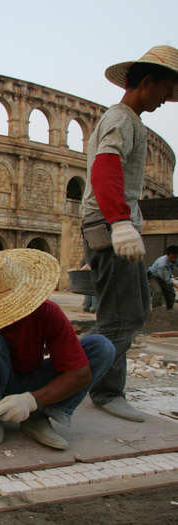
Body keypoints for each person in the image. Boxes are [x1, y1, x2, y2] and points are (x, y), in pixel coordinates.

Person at [0, 250, 115, 450]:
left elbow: (80, 373)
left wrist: (32, 401)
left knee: (101, 348)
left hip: (28, 381)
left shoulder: (46, 312)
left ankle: (39, 416)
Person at [80, 45, 177, 422]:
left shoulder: (131, 121)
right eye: (165, 90)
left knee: (132, 310)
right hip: (109, 225)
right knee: (122, 316)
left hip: (114, 224)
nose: (167, 100)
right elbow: (106, 167)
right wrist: (119, 222)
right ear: (147, 82)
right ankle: (76, 386)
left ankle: (103, 387)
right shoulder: (120, 119)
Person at [148, 245, 178, 310]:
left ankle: (170, 309)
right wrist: (176, 286)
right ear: (168, 255)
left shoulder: (175, 259)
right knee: (158, 291)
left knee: (171, 293)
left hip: (165, 276)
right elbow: (167, 280)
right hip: (153, 276)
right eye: (172, 257)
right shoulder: (162, 263)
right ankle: (156, 310)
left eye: (176, 257)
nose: (174, 259)